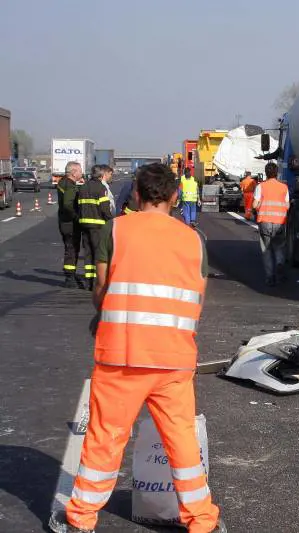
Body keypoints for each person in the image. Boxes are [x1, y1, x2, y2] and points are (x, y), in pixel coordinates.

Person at [49, 163, 226, 533]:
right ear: (175, 196)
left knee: (105, 438)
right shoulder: (193, 239)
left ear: (136, 194)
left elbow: (101, 288)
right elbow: (197, 297)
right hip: (174, 358)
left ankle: (81, 518)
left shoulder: (116, 229)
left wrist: (106, 312)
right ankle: (202, 520)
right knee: (181, 441)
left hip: (121, 357)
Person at [77, 165, 115, 290]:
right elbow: (104, 208)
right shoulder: (101, 188)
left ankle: (88, 281)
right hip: (97, 225)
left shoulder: (83, 187)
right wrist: (111, 220)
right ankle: (97, 282)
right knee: (98, 253)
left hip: (84, 225)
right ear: (101, 175)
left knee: (88, 253)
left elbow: (78, 206)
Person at [252, 162, 289, 287]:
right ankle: (279, 264)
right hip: (279, 222)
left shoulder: (261, 186)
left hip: (265, 222)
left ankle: (269, 278)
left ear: (266, 173)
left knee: (266, 250)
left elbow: (255, 205)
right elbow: (287, 205)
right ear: (276, 173)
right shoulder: (284, 187)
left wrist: (259, 206)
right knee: (279, 247)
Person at [57, 161, 85, 289]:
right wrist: (76, 217)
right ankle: (69, 277)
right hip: (69, 223)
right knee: (72, 249)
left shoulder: (63, 182)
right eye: (80, 171)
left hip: (64, 221)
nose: (82, 173)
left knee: (71, 248)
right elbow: (68, 204)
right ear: (73, 172)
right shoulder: (69, 185)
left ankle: (71, 274)